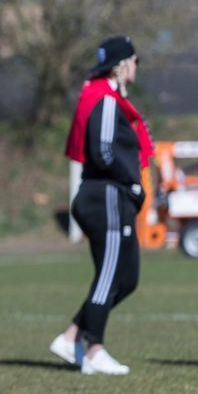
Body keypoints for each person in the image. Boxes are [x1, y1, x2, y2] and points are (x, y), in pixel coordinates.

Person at [50, 35, 152, 375]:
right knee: (109, 276)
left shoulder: (110, 99)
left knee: (127, 278)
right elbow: (104, 151)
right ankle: (95, 351)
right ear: (123, 65)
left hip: (112, 196)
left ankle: (71, 336)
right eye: (136, 60)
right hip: (104, 195)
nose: (138, 67)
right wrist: (134, 183)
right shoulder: (105, 100)